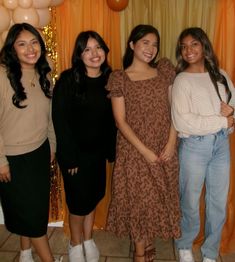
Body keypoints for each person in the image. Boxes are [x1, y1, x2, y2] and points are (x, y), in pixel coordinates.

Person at [105, 24, 181, 262]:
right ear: (132, 45)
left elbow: (174, 110)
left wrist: (171, 143)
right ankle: (140, 254)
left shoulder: (164, 71)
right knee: (138, 202)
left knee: (157, 200)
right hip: (135, 152)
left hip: (164, 147)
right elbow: (120, 121)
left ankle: (148, 248)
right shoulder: (119, 77)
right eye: (145, 42)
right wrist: (145, 152)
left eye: (155, 44)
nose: (151, 48)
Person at [171, 27, 235, 262]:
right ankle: (185, 244)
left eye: (194, 44)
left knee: (217, 202)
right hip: (194, 147)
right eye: (184, 46)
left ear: (204, 46)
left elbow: (233, 109)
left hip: (220, 145)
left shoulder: (220, 75)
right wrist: (221, 120)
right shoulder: (181, 80)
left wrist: (232, 117)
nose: (189, 50)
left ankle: (210, 252)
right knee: (189, 198)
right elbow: (183, 121)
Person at [52, 30, 116, 262]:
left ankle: (88, 240)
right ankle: (75, 244)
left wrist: (111, 152)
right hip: (75, 157)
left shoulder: (112, 79)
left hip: (97, 155)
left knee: (93, 198)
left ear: (104, 50)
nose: (94, 53)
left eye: (98, 47)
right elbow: (60, 121)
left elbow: (113, 120)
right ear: (79, 55)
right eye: (87, 49)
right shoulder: (68, 80)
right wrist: (69, 158)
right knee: (78, 205)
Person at [0, 23, 60, 262]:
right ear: (12, 49)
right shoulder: (2, 76)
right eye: (22, 44)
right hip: (13, 158)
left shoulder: (44, 72)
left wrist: (52, 146)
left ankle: (25, 253)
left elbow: (49, 116)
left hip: (39, 152)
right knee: (34, 219)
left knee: (34, 211)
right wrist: (1, 161)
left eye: (34, 42)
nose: (30, 49)